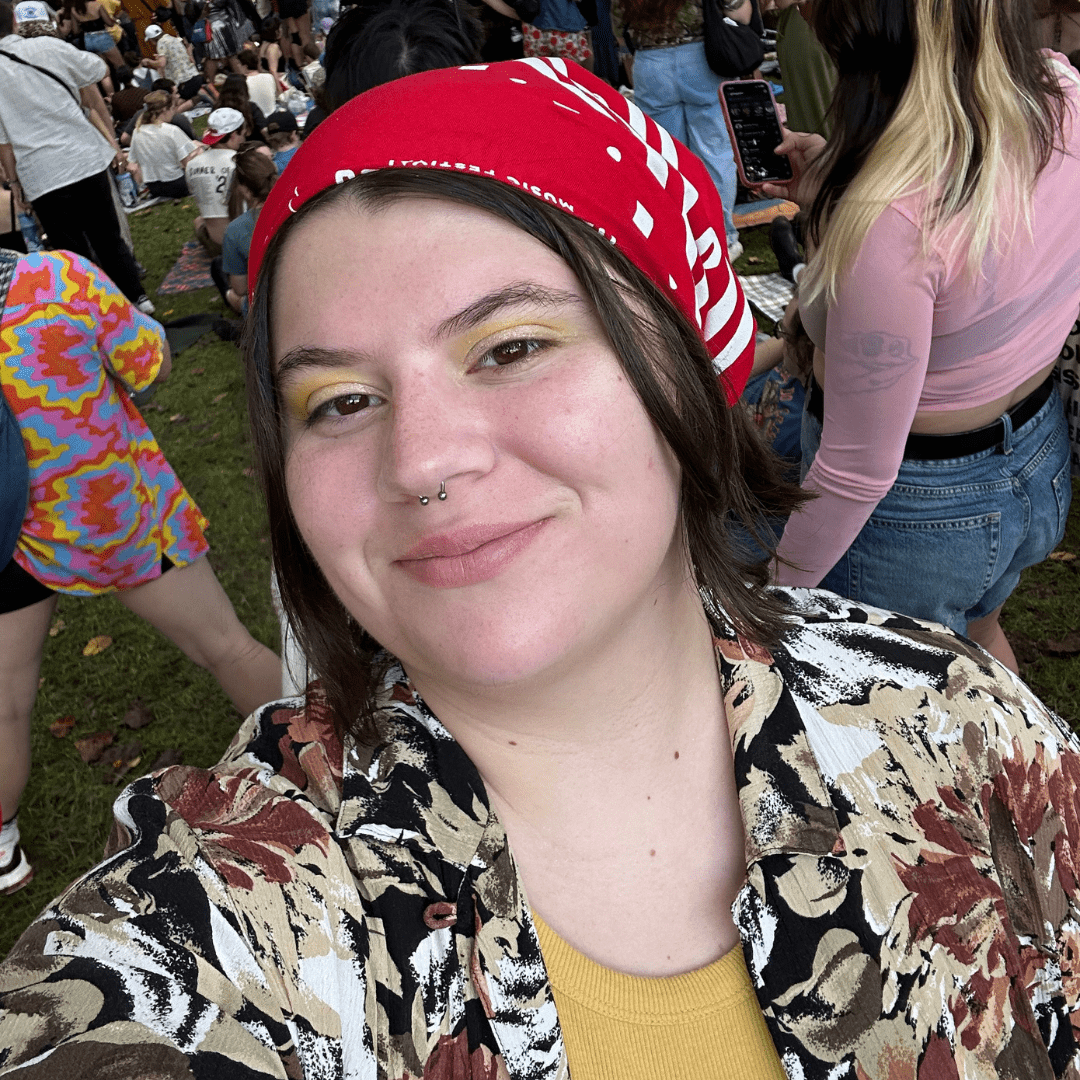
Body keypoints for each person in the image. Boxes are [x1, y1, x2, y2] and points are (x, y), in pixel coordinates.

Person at [3, 58, 1079, 1080]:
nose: (421, 459)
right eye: (339, 401)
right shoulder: (210, 920)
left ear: (686, 364)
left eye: (511, 347)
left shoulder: (956, 724)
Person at [768, 0, 1080, 672]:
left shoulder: (891, 222)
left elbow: (855, 473)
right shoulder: (1065, 95)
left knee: (894, 712)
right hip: (1033, 457)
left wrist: (773, 599)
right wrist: (836, 183)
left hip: (919, 511)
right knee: (978, 647)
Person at [0, 247, 282, 897]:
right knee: (226, 645)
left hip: (5, 532)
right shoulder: (56, 279)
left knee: (6, 700)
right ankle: (328, 762)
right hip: (105, 509)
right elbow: (147, 361)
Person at [0, 0, 153, 312]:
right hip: (80, 157)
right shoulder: (47, 47)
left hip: (41, 173)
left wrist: (14, 183)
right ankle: (135, 297)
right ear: (14, 22)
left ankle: (96, 310)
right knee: (107, 236)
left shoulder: (39, 49)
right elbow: (95, 68)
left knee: (71, 250)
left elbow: (4, 143)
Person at [615, 0, 749, 261]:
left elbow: (619, 29)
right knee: (715, 154)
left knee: (667, 158)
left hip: (651, 62)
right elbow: (738, 9)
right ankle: (721, 239)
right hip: (701, 58)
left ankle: (681, 240)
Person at [186, 105, 243, 253]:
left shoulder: (191, 164)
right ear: (233, 135)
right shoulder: (241, 161)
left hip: (214, 242)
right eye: (242, 133)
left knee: (199, 220)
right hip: (243, 241)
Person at [127, 88, 203, 198]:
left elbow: (133, 161)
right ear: (164, 110)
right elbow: (188, 165)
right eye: (172, 108)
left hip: (154, 187)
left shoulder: (137, 131)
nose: (174, 112)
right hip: (178, 185)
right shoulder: (172, 130)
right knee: (198, 149)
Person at [143, 21, 205, 99]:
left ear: (152, 39)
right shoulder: (173, 38)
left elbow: (162, 63)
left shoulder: (161, 43)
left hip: (183, 82)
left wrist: (149, 61)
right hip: (194, 75)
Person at [238, 44, 278, 112]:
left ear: (244, 66)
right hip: (272, 115)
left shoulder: (242, 83)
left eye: (238, 64)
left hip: (256, 118)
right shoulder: (269, 77)